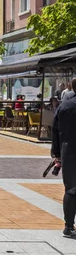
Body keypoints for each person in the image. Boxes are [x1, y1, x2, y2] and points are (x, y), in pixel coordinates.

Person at [51, 95, 76, 237]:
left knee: (71, 189)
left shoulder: (64, 106)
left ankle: (68, 226)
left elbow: (54, 130)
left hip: (68, 151)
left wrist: (56, 154)